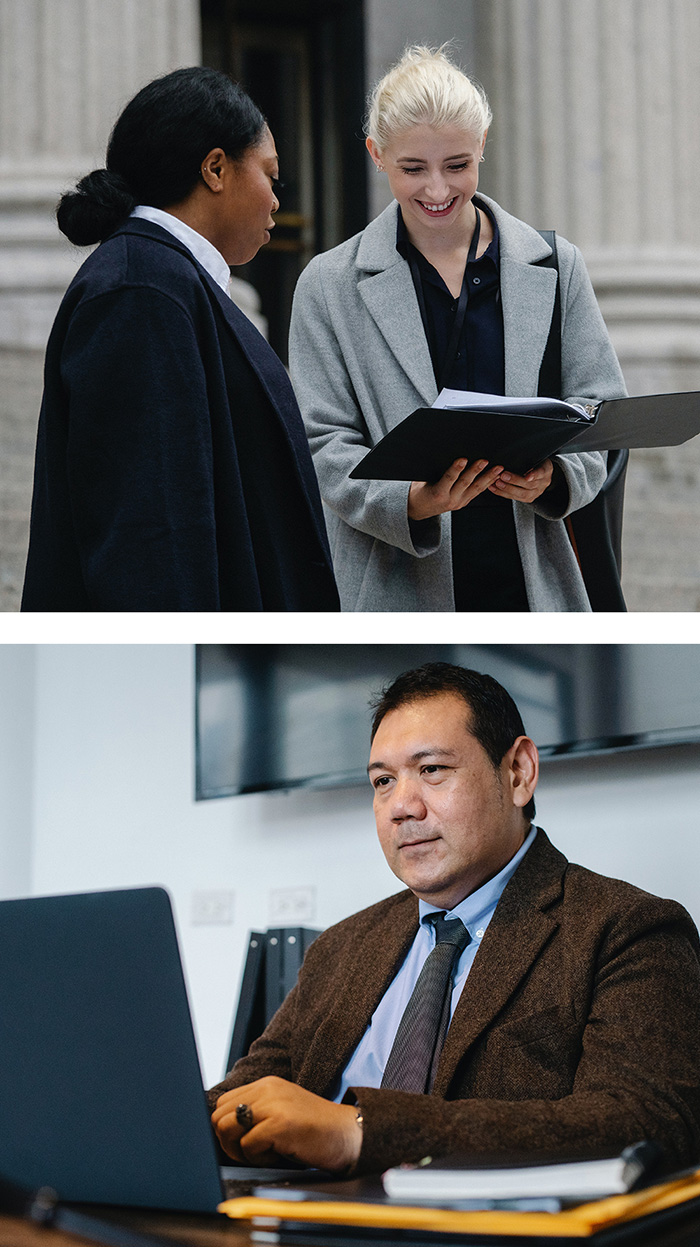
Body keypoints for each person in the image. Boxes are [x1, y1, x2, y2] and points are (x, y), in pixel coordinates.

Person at [209, 662, 700, 1175]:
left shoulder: (628, 929)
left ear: (518, 773)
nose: (401, 806)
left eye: (432, 770)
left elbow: (649, 1123)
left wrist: (357, 1132)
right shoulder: (341, 946)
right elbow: (242, 1100)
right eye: (382, 781)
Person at [288, 47, 627, 612]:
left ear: (483, 146)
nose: (438, 191)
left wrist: (556, 476)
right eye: (413, 168)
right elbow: (321, 442)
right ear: (376, 155)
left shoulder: (556, 263)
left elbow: (600, 410)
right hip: (395, 587)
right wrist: (412, 501)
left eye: (458, 165)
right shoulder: (327, 285)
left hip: (533, 581)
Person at [21, 67, 339, 612]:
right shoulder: (141, 289)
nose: (275, 202)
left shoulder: (163, 280)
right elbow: (148, 536)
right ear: (216, 169)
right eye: (270, 176)